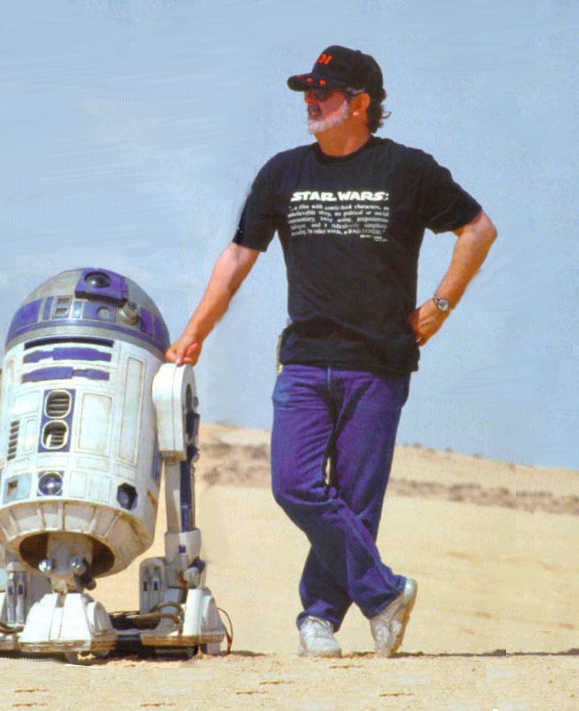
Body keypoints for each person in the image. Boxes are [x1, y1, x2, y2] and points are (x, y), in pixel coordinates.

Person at [165, 45, 497, 658]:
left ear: (360, 102)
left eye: (324, 92)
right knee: (294, 485)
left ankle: (318, 620)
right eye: (307, 92)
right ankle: (385, 593)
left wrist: (441, 305)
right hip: (304, 360)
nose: (311, 102)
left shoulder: (407, 169)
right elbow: (237, 256)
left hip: (379, 362)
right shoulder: (283, 172)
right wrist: (195, 332)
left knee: (355, 502)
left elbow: (478, 229)